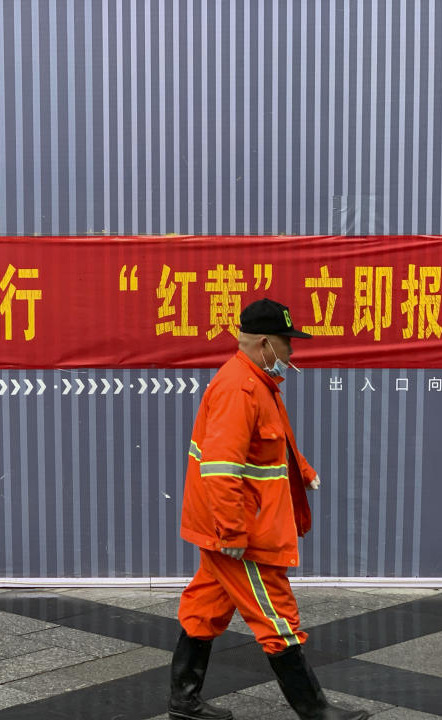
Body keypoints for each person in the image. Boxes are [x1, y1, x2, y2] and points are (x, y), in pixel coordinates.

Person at [168, 298, 369, 720]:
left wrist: (305, 470)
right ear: (265, 343)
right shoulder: (239, 388)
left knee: (204, 609)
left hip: (233, 525)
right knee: (277, 616)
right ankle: (314, 710)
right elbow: (221, 471)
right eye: (287, 343)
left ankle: (183, 702)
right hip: (242, 532)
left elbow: (271, 445)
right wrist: (234, 534)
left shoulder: (256, 381)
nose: (292, 353)